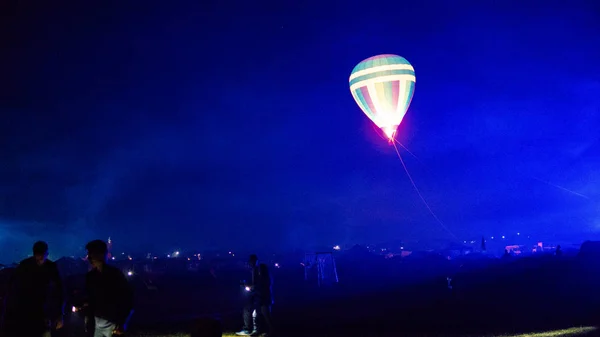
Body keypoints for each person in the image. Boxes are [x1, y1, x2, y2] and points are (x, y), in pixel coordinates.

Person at [1, 241, 64, 337]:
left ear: (47, 254)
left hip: (43, 311)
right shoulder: (25, 265)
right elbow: (12, 285)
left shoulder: (50, 267)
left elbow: (60, 289)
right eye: (38, 255)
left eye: (42, 255)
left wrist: (59, 313)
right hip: (26, 310)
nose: (40, 258)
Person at [84, 239, 134, 337]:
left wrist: (122, 322)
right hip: (97, 323)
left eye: (91, 254)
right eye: (89, 254)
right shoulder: (90, 276)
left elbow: (128, 300)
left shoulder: (115, 275)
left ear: (102, 254)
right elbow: (91, 299)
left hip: (113, 324)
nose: (89, 257)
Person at [236, 254, 274, 336]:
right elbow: (258, 284)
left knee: (265, 314)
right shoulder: (257, 270)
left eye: (251, 262)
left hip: (264, 297)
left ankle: (270, 331)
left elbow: (259, 284)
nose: (250, 264)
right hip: (261, 296)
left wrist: (249, 286)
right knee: (256, 313)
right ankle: (257, 330)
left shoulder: (259, 270)